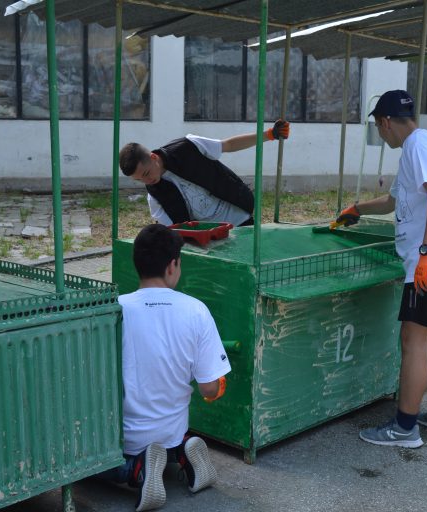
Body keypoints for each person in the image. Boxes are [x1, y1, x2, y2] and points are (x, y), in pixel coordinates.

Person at [335, 90, 427, 449]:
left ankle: (404, 428)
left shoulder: (418, 147)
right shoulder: (423, 145)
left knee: (413, 340)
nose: (380, 134)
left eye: (377, 127)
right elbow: (394, 200)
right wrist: (357, 208)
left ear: (384, 122)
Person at [101, 223, 232, 511]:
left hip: (128, 435)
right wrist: (215, 390)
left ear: (137, 264)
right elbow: (210, 387)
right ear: (173, 265)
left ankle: (136, 470)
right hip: (172, 430)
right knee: (172, 433)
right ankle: (183, 452)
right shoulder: (196, 310)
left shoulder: (115, 309)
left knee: (90, 466)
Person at [119, 120, 290, 226]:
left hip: (239, 219)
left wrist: (269, 134)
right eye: (140, 180)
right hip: (208, 242)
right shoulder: (155, 196)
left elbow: (229, 145)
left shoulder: (188, 146)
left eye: (147, 173)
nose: (147, 181)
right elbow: (171, 231)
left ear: (154, 157)